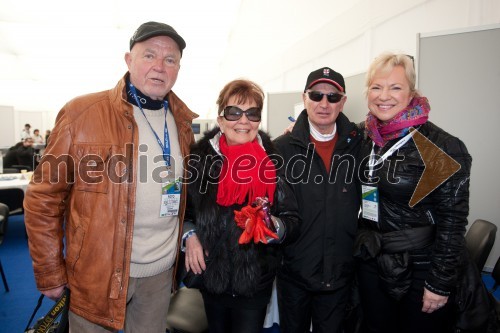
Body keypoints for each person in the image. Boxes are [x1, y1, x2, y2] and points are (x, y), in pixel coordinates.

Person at [23, 21, 198, 332]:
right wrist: (49, 271)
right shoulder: (82, 113)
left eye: (170, 59)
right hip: (98, 274)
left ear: (178, 68)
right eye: (148, 55)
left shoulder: (183, 123)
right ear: (129, 60)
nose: (159, 66)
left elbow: (184, 193)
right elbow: (43, 198)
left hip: (159, 274)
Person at [354, 52, 485, 333]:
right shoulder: (367, 136)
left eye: (395, 87)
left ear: (412, 93)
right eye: (376, 87)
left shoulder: (442, 146)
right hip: (372, 259)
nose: (384, 95)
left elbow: (452, 222)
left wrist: (439, 283)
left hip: (420, 266)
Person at [183, 79, 300, 333]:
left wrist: (271, 226)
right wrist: (190, 236)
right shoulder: (200, 159)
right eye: (234, 112)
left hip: (255, 280)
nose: (243, 120)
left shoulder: (275, 159)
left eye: (252, 112)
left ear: (259, 119)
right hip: (213, 275)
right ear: (221, 119)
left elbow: (292, 220)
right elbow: (185, 213)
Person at [273, 67, 362, 333]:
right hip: (294, 272)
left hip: (339, 271)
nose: (324, 104)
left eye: (333, 97)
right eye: (316, 95)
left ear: (343, 102)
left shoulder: (360, 145)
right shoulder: (280, 148)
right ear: (305, 98)